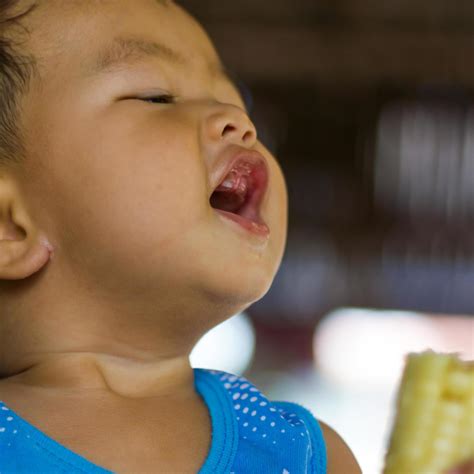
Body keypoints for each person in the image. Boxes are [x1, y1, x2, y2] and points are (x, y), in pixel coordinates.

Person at [0, 1, 466, 473]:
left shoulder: (306, 452)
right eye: (156, 95)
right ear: (9, 226)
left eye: (238, 102)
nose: (238, 121)